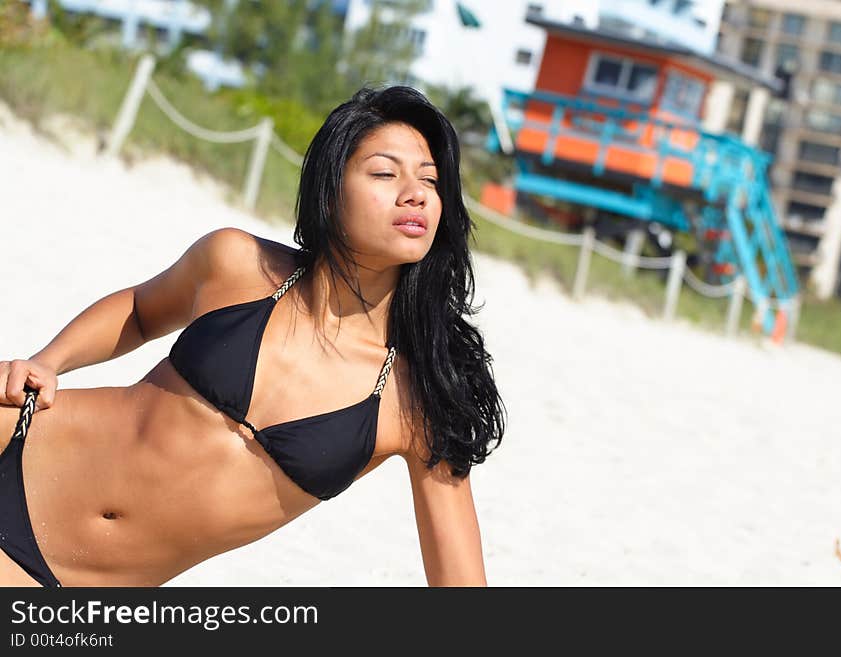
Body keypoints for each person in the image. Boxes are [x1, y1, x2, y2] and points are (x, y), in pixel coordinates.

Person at [0, 85, 506, 587]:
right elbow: (138, 311)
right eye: (383, 172)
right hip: (19, 443)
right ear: (329, 192)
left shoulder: (416, 400)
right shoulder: (239, 265)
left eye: (430, 181)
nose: (414, 192)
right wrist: (51, 360)